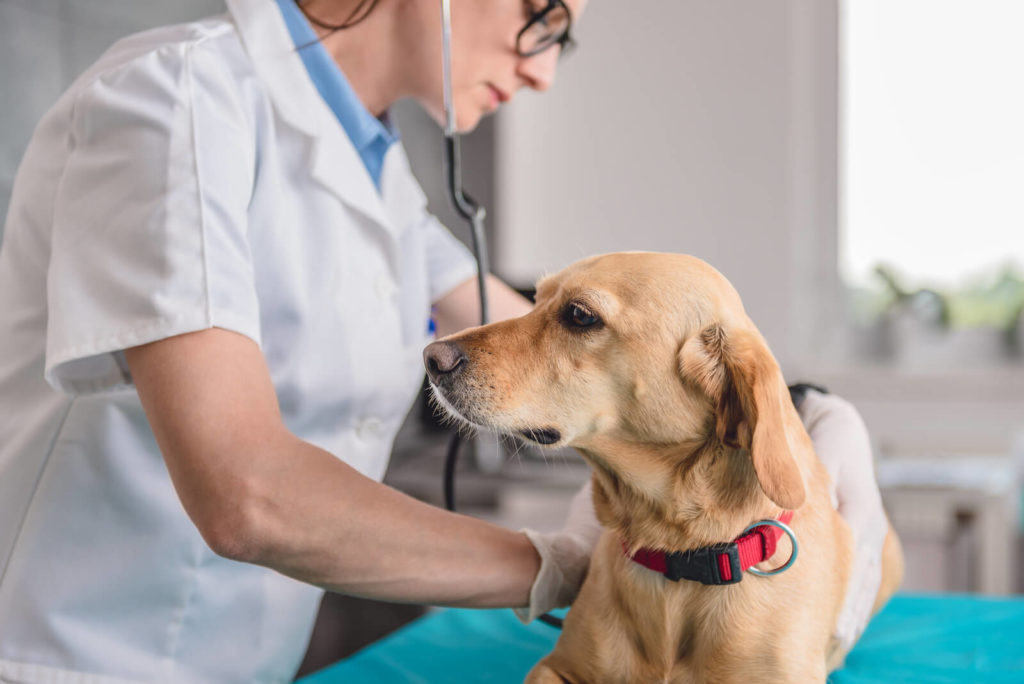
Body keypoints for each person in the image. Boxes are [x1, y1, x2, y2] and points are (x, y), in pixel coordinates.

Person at [0, 0, 887, 681]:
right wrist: (564, 565)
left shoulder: (381, 180)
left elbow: (583, 346)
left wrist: (805, 415)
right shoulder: (178, 101)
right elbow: (248, 496)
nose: (544, 75)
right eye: (545, 23)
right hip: (75, 654)